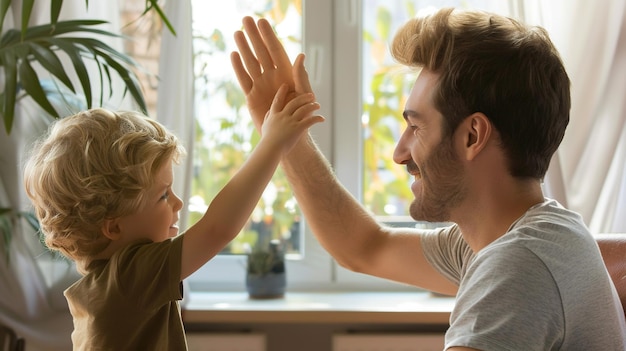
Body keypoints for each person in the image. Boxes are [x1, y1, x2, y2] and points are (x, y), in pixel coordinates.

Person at [230, 8, 626, 350]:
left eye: (416, 128)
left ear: (472, 136)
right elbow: (363, 247)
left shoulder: (515, 268)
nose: (399, 153)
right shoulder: (534, 235)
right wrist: (287, 136)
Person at [22, 88, 323, 350]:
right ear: (114, 226)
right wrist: (273, 143)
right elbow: (218, 228)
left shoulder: (101, 285)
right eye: (163, 195)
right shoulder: (130, 276)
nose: (177, 203)